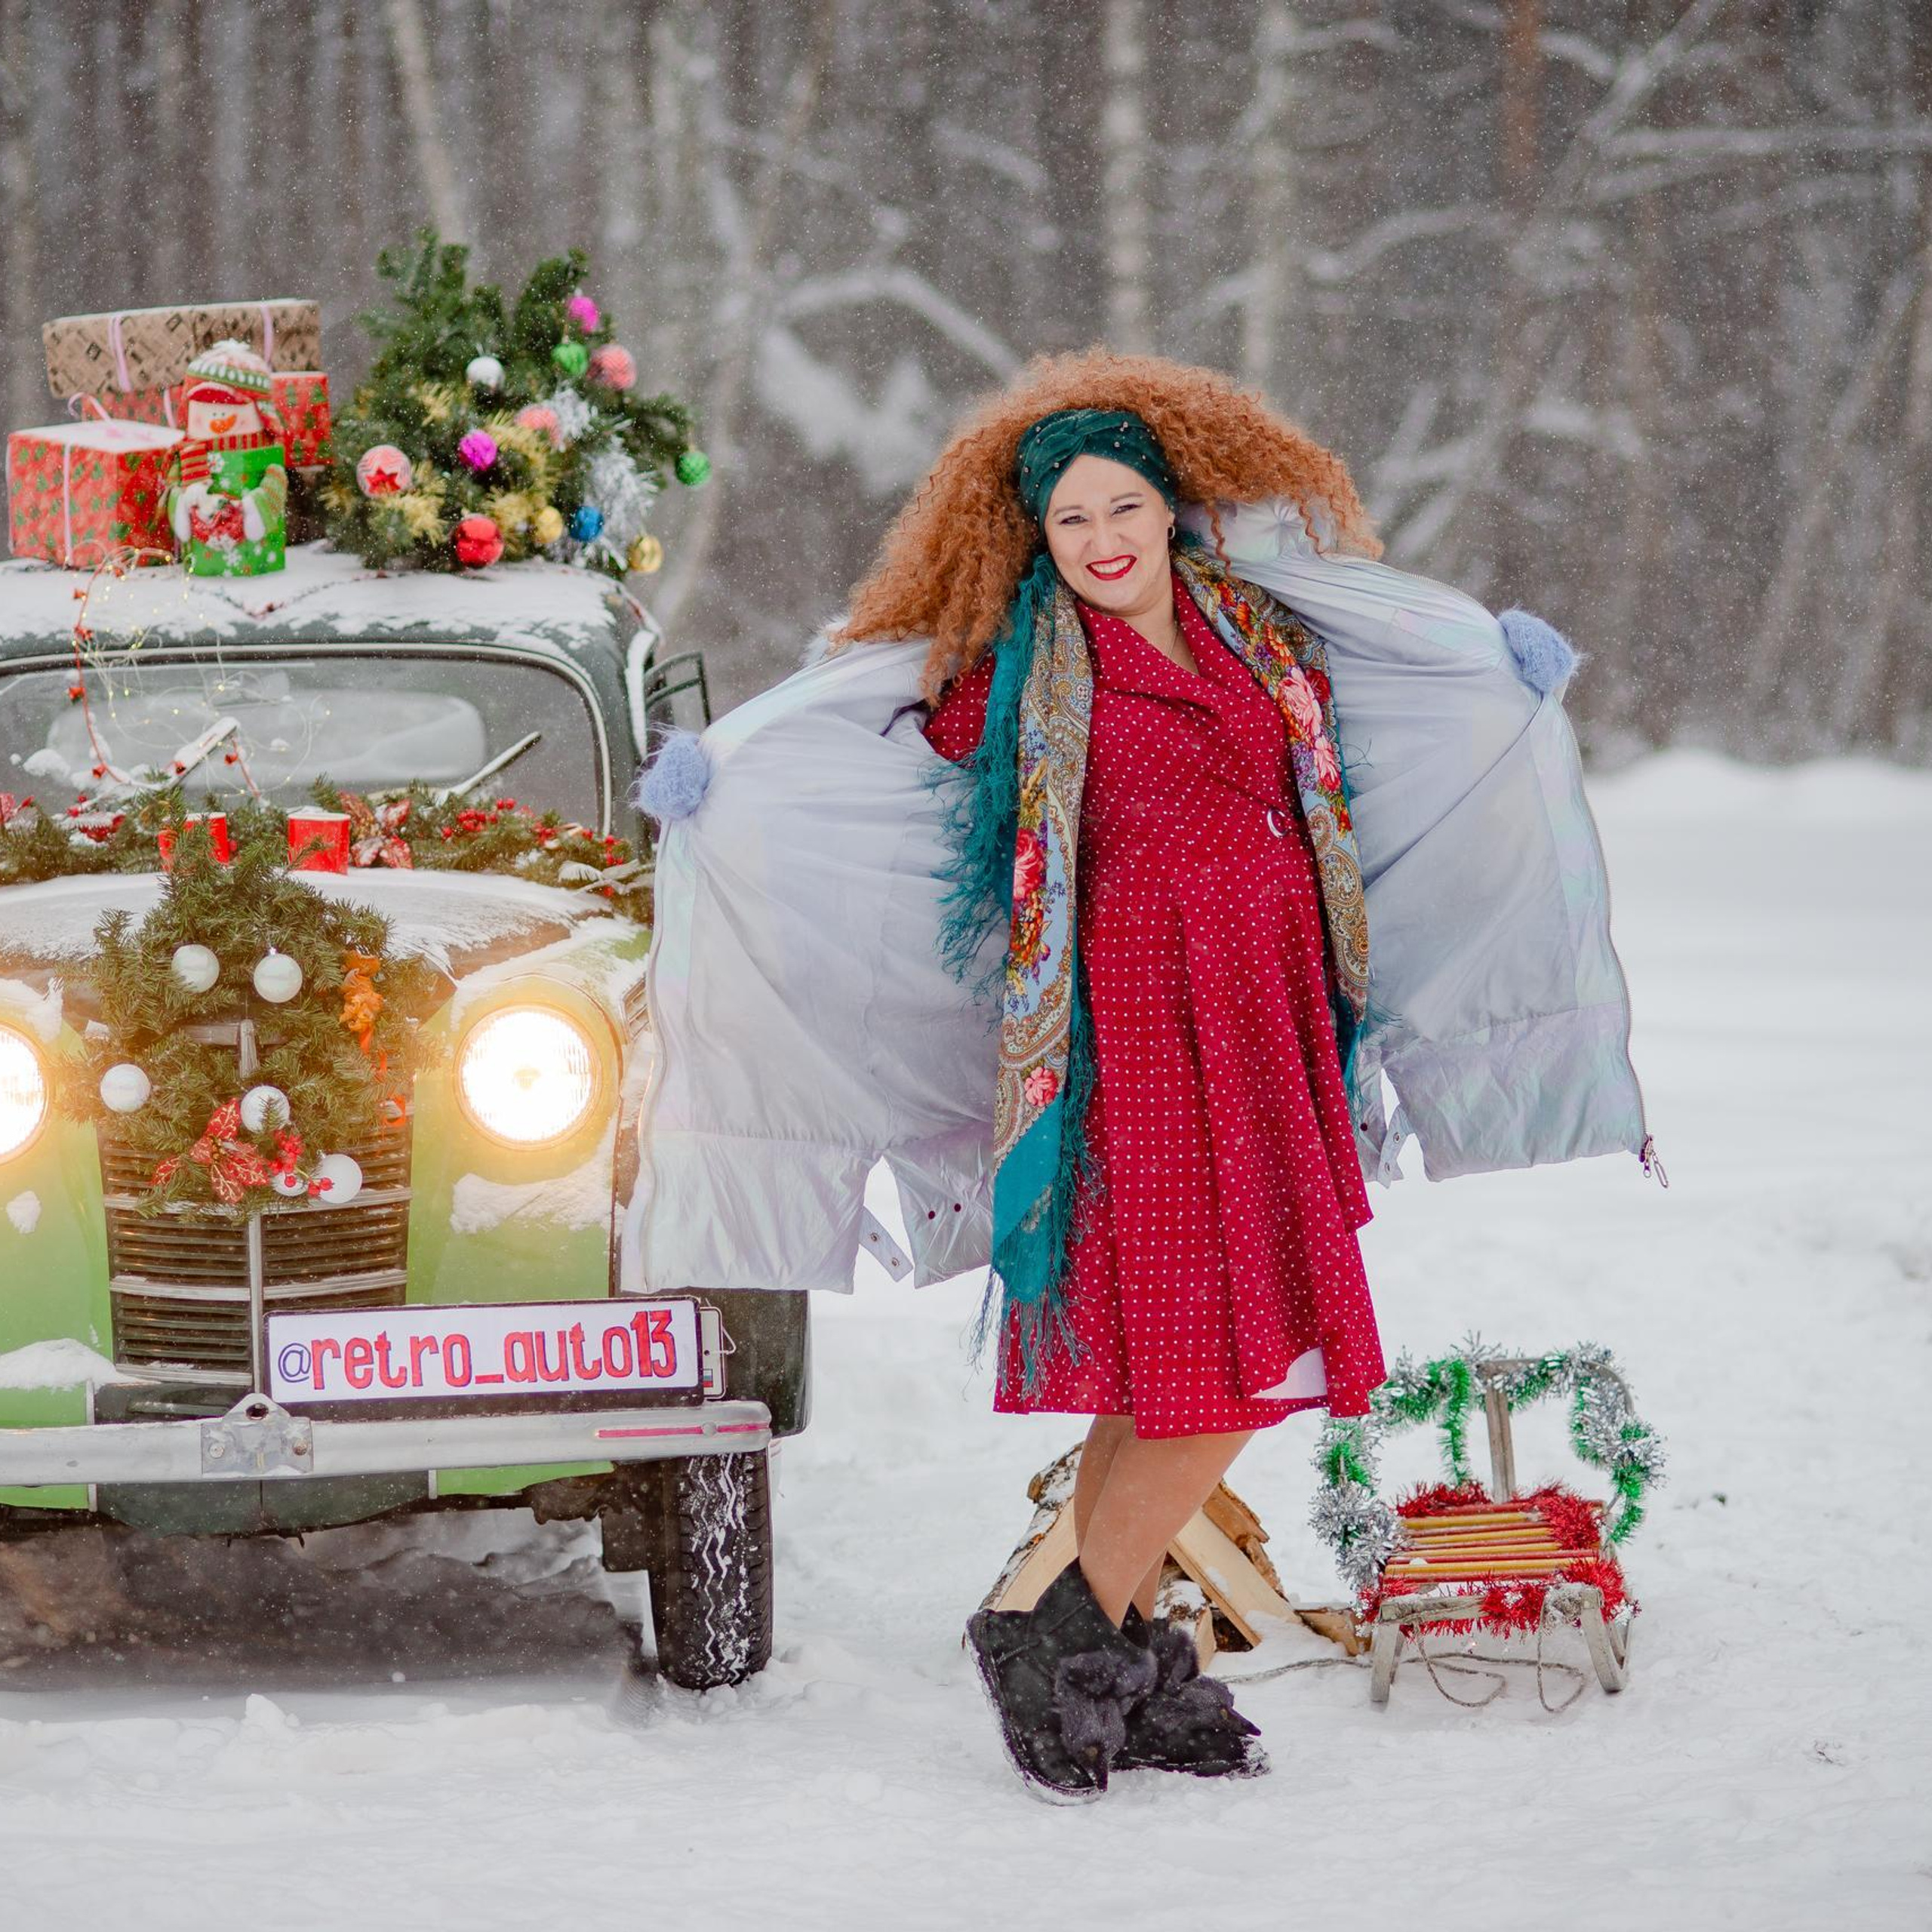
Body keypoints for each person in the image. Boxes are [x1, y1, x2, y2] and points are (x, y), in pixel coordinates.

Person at [621, 349, 1653, 1803]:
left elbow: (1386, 709)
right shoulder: (1023, 677)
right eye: (1069, 524)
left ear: (1170, 507)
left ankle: (1085, 1630)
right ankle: (1054, 1635)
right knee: (1229, 1362)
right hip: (1146, 1048)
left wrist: (1492, 679)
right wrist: (732, 782)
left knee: (1182, 1361)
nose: (1102, 542)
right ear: (1034, 544)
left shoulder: (1259, 633)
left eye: (1122, 508)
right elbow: (871, 750)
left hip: (1270, 1031)